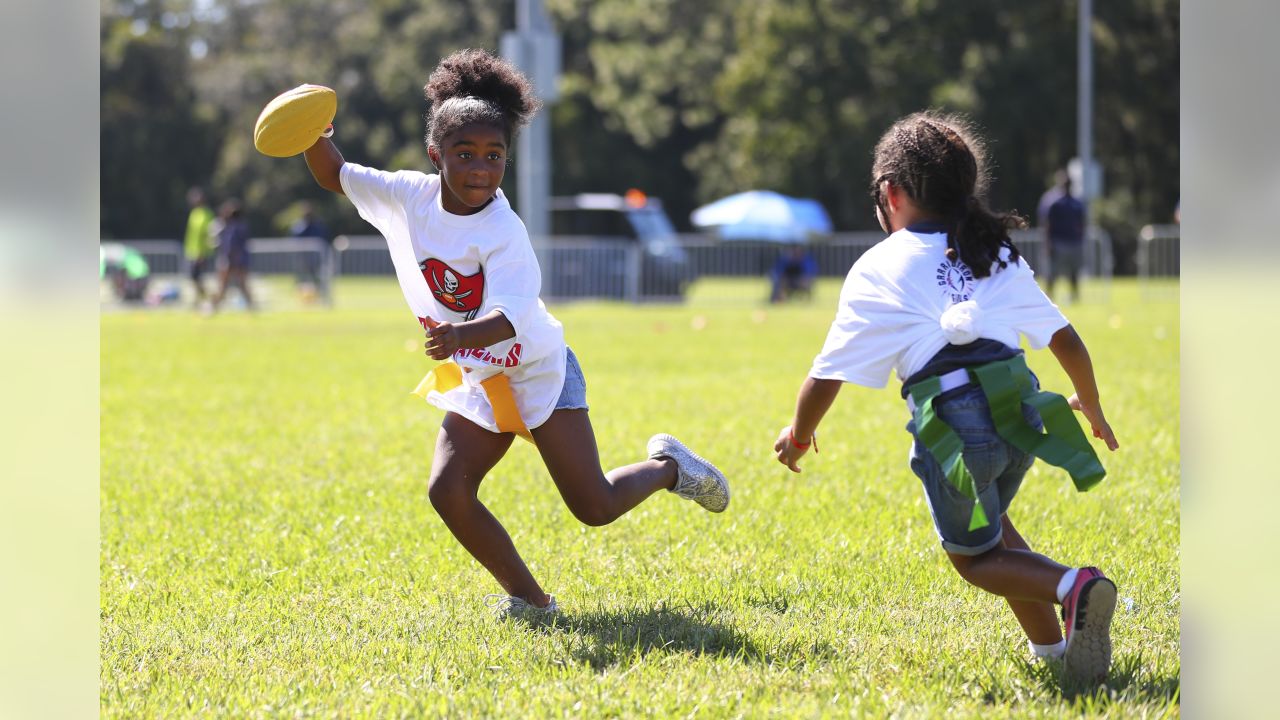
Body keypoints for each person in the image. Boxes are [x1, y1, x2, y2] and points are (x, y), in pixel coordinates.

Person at [295, 49, 729, 617]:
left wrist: (456, 336)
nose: (480, 168)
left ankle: (671, 467)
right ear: (436, 155)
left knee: (594, 507)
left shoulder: (504, 230)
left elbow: (509, 320)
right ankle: (532, 601)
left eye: (494, 155)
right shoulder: (407, 196)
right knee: (447, 492)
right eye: (465, 153)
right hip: (479, 378)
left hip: (536, 369)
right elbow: (334, 173)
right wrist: (311, 128)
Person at [772, 112, 1121, 686]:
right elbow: (1066, 339)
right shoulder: (994, 249)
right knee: (994, 524)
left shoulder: (879, 266)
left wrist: (800, 434)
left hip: (959, 428)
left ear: (891, 193)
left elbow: (826, 373)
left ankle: (1072, 586)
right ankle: (1055, 654)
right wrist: (1091, 403)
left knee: (974, 558)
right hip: (1021, 417)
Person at [1038, 170, 1086, 303]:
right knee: (1052, 273)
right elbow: (1046, 224)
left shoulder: (1077, 202)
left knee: (1074, 273)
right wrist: (1047, 244)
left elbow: (1082, 223)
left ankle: (1075, 297)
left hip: (1074, 242)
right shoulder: (1052, 201)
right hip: (1057, 242)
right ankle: (1048, 296)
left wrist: (1081, 240)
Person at [211, 199, 255, 311]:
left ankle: (214, 307)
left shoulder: (233, 228)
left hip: (232, 260)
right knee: (242, 285)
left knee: (223, 286)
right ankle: (252, 307)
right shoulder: (243, 226)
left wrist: (230, 259)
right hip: (241, 260)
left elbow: (231, 246)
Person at [290, 201, 333, 305]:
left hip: (316, 259)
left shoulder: (318, 225)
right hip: (303, 259)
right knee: (302, 280)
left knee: (318, 279)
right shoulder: (299, 226)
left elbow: (323, 238)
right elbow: (295, 238)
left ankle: (321, 299)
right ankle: (303, 301)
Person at [184, 187, 216, 307]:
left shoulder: (207, 214)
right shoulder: (194, 213)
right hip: (192, 251)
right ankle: (203, 298)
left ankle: (206, 298)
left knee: (197, 277)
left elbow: (207, 235)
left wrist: (201, 253)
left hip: (202, 253)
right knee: (194, 278)